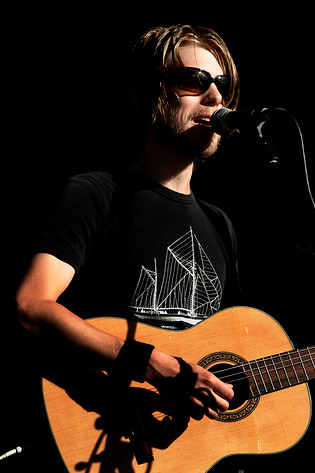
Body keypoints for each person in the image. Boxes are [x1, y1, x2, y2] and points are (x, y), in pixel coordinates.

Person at [16, 24, 240, 425]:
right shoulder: (95, 193)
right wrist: (153, 364)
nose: (216, 97)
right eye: (194, 80)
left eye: (222, 85)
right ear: (146, 95)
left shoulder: (220, 225)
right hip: (94, 424)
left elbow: (222, 351)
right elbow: (32, 306)